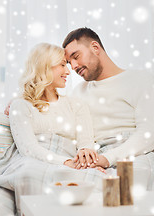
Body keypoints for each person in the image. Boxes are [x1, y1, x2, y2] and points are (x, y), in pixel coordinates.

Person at [61, 27, 154, 193]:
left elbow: (148, 135)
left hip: (133, 152)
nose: (73, 66)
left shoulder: (141, 80)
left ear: (95, 47)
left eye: (76, 57)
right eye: (69, 63)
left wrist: (106, 159)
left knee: (131, 180)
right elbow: (63, 124)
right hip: (95, 156)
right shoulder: (79, 91)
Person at [8, 42, 101, 170]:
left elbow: (86, 142)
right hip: (36, 164)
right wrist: (66, 162)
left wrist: (85, 156)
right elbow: (28, 149)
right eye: (62, 65)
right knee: (29, 172)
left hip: (72, 164)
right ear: (44, 67)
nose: (68, 71)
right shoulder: (20, 106)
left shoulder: (77, 105)